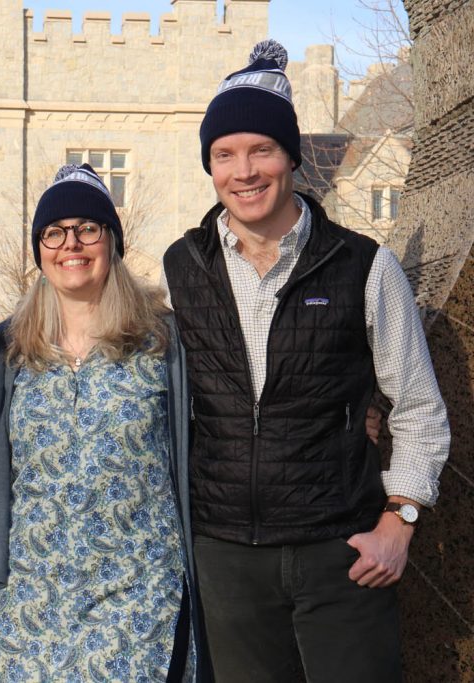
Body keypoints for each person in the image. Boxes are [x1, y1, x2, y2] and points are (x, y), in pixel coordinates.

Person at [161, 40, 451, 682]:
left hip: (341, 556)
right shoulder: (182, 267)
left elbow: (420, 408)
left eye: (261, 149)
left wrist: (399, 521)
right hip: (227, 561)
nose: (244, 171)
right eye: (224, 155)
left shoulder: (363, 266)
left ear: (290, 155)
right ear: (210, 166)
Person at [0, 164, 207, 682]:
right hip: (27, 597)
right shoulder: (6, 347)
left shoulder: (162, 340)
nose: (70, 244)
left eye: (87, 229)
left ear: (111, 241)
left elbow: (233, 402)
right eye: (53, 232)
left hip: (140, 596)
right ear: (39, 250)